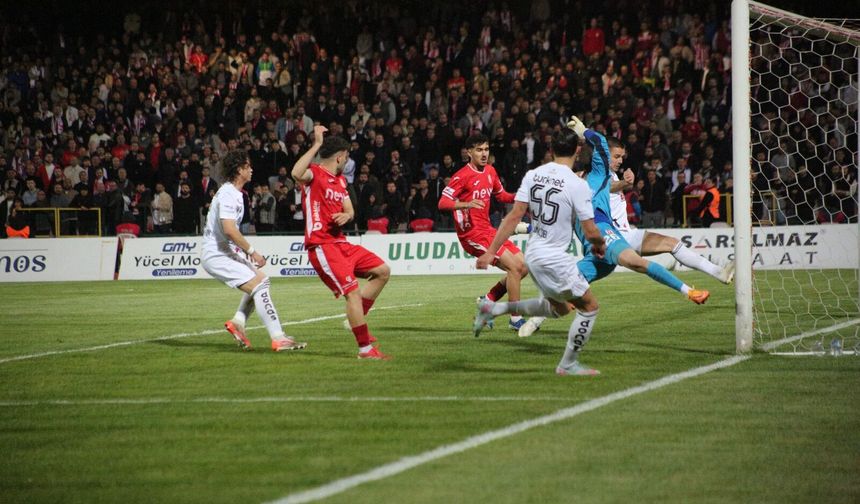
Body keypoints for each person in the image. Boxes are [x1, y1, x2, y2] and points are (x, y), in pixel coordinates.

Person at [474, 128, 607, 375]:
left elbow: (513, 217)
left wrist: (491, 251)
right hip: (555, 257)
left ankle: (493, 308)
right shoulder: (577, 184)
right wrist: (600, 245)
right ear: (578, 151)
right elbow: (590, 231)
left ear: (551, 149)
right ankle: (568, 365)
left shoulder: (533, 175)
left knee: (561, 309)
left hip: (533, 254)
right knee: (590, 307)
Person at [292, 125, 392, 360]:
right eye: (346, 157)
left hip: (341, 243)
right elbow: (296, 172)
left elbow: (350, 210)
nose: (347, 161)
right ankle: (365, 349)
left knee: (382, 271)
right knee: (353, 293)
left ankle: (354, 320)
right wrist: (317, 144)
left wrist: (347, 216)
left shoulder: (340, 182)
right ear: (340, 157)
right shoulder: (314, 174)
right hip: (322, 246)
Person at [201, 149, 306, 352]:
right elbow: (230, 230)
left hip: (224, 251)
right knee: (260, 286)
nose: (251, 169)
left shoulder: (235, 193)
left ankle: (238, 321)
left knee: (261, 280)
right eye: (247, 166)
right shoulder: (229, 194)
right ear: (238, 169)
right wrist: (252, 252)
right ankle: (278, 337)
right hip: (216, 254)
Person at [437, 133, 530, 331]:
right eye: (479, 150)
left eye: (486, 149)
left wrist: (522, 197)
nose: (484, 153)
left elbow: (502, 196)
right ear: (469, 152)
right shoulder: (462, 176)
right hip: (472, 235)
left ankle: (487, 301)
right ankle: (515, 319)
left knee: (524, 266)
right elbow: (442, 203)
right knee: (514, 268)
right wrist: (466, 204)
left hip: (488, 230)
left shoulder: (490, 171)